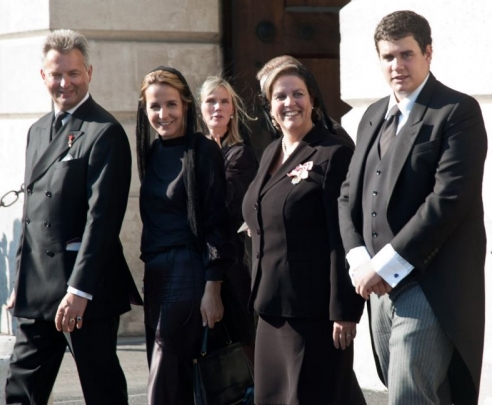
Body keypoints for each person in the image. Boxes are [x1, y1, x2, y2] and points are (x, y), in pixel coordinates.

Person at [338, 10, 487, 404]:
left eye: (406, 55)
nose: (397, 66)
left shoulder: (457, 112)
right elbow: (348, 194)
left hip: (433, 284)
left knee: (408, 395)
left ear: (428, 53)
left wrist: (382, 264)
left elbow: (448, 200)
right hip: (379, 289)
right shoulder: (372, 115)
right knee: (417, 393)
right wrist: (358, 260)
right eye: (388, 57)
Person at [5, 29, 142, 405]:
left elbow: (102, 219)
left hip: (84, 289)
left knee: (102, 390)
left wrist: (80, 290)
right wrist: (21, 281)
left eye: (74, 74)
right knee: (21, 388)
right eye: (56, 74)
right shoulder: (36, 131)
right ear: (43, 76)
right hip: (38, 287)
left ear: (90, 73)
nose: (65, 83)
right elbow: (31, 214)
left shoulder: (105, 132)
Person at [242, 59, 366, 404]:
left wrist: (344, 309)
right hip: (270, 308)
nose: (289, 102)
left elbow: (344, 235)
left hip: (314, 313)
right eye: (280, 96)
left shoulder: (333, 153)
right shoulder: (270, 152)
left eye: (298, 94)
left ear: (312, 99)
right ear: (269, 107)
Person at [136, 66, 233, 404]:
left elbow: (217, 222)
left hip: (188, 275)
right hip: (156, 276)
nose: (163, 114)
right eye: (155, 106)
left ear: (187, 105)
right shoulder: (151, 153)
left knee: (163, 379)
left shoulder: (204, 151)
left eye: (171, 105)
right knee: (167, 374)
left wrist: (213, 287)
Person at [199, 76, 258, 353]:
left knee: (238, 350)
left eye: (224, 101)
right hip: (195, 263)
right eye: (211, 101)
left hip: (230, 265)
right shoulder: (195, 151)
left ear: (233, 109)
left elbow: (224, 210)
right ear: (200, 108)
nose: (217, 107)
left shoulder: (239, 154)